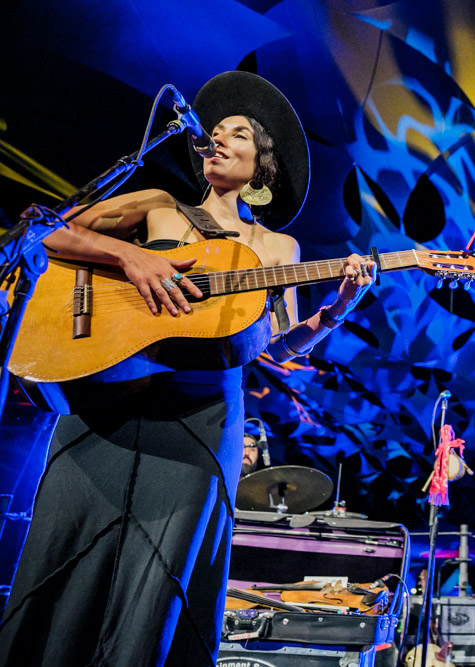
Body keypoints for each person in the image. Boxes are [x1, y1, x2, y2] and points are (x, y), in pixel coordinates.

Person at [0, 71, 376, 666]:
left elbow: (278, 347)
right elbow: (51, 235)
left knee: (161, 575)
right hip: (108, 396)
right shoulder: (157, 207)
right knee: (64, 548)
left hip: (202, 419)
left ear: (262, 166)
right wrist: (129, 257)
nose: (220, 138)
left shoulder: (279, 250)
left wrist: (335, 311)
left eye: (239, 133)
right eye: (217, 130)